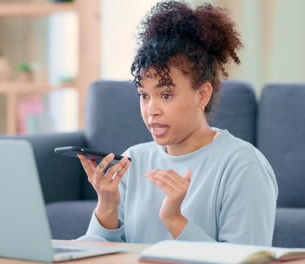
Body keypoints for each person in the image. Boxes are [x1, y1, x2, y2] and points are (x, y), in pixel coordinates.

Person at [77, 0, 278, 246]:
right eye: (144, 95)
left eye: (166, 95)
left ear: (202, 95)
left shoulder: (243, 165)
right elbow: (94, 255)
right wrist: (107, 205)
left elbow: (248, 260)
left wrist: (175, 220)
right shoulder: (132, 161)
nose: (151, 110)